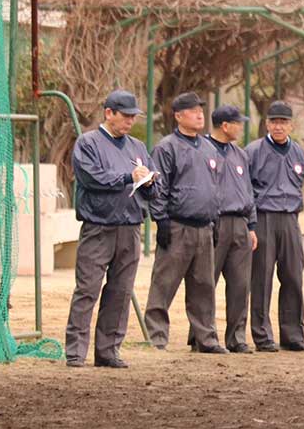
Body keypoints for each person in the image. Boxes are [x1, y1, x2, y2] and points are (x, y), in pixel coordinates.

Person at [65, 90, 157, 368]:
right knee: (88, 289)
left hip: (130, 227)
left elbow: (152, 186)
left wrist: (150, 183)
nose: (130, 121)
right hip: (99, 227)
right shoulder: (88, 143)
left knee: (121, 291)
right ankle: (75, 352)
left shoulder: (138, 147)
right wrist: (127, 177)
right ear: (109, 113)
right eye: (125, 116)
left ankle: (108, 350)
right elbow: (91, 178)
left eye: (133, 116)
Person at [144, 92, 226, 353]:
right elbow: (158, 186)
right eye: (192, 110)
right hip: (177, 225)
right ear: (178, 116)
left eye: (200, 109)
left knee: (204, 286)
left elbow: (216, 187)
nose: (199, 113)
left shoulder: (209, 148)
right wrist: (161, 220)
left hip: (205, 227)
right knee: (164, 283)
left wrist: (215, 220)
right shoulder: (166, 147)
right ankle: (156, 337)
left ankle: (206, 339)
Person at [186, 105, 257, 353]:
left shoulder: (240, 154)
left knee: (240, 284)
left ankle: (237, 337)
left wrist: (252, 225)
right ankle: (201, 336)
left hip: (240, 223)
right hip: (214, 222)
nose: (242, 127)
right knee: (205, 283)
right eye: (238, 123)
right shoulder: (203, 151)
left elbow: (248, 191)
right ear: (225, 126)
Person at [245, 101, 304, 352]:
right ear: (266, 124)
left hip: (290, 219)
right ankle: (262, 336)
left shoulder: (298, 152)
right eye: (274, 122)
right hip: (264, 217)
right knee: (262, 278)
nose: (278, 126)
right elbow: (246, 190)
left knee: (294, 276)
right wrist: (250, 223)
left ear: (291, 125)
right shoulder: (253, 151)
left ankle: (293, 335)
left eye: (283, 122)